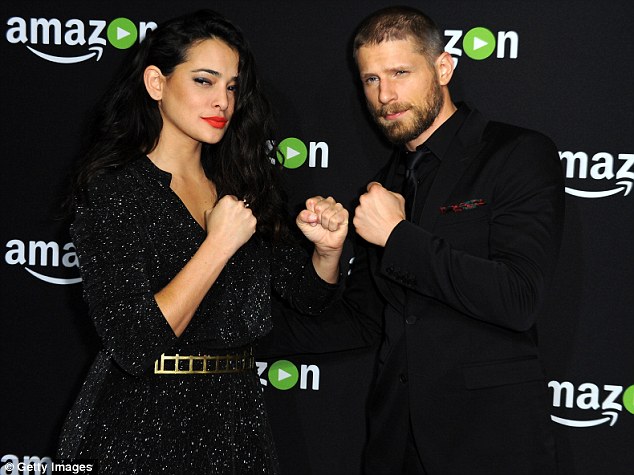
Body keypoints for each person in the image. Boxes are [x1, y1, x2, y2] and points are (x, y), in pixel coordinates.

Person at [262, 5, 565, 474]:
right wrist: (224, 337)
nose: (386, 95)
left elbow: (518, 297)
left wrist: (398, 236)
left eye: (400, 72)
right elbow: (364, 320)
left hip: (491, 444)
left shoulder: (516, 153)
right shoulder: (386, 183)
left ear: (443, 68)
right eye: (370, 80)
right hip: (394, 448)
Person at [57, 9, 348, 474]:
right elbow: (137, 343)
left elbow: (310, 296)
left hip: (237, 423)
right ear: (156, 83)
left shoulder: (243, 184)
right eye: (204, 81)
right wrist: (217, 246)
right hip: (138, 427)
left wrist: (327, 251)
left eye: (231, 86)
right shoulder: (112, 190)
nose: (223, 101)